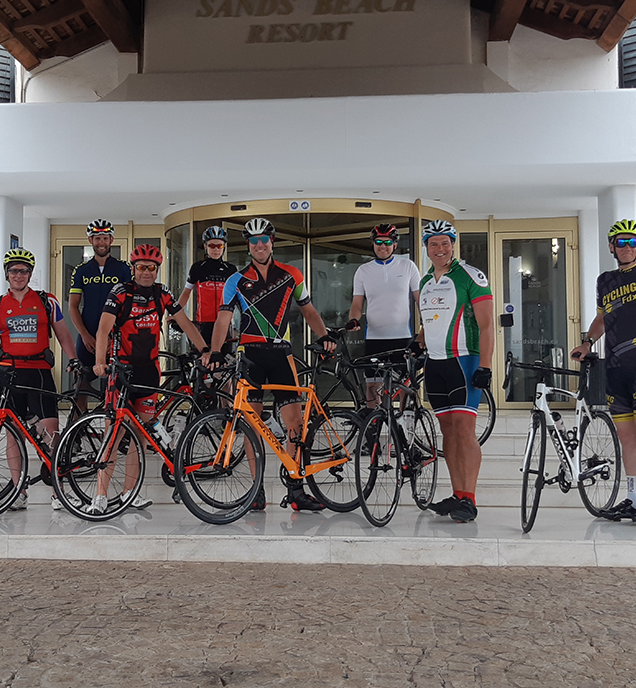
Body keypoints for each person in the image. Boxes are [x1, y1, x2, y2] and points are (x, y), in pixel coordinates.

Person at [207, 217, 337, 512]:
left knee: (295, 424)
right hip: (250, 357)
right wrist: (215, 351)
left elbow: (310, 311)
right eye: (253, 241)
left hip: (282, 355)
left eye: (264, 239)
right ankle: (256, 491)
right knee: (251, 427)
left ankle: (295, 488)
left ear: (272, 240)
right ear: (248, 246)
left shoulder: (291, 274)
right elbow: (223, 319)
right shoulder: (235, 281)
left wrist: (326, 335)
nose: (259, 245)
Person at [90, 244, 209, 513]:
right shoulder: (120, 292)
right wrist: (100, 362)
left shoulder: (163, 293)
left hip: (149, 372)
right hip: (121, 371)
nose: (146, 272)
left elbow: (186, 323)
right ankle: (100, 494)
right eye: (141, 267)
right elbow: (103, 329)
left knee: (141, 436)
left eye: (151, 268)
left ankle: (129, 493)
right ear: (133, 269)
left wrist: (204, 349)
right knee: (114, 433)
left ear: (157, 270)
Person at [571, 219, 636, 525]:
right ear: (611, 246)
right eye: (620, 242)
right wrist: (587, 342)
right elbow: (602, 318)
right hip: (614, 368)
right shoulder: (604, 281)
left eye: (632, 242)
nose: (626, 247)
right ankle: (634, 499)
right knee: (626, 437)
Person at [0, 247, 80, 511]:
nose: (18, 275)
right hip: (8, 375)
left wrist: (73, 359)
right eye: (14, 271)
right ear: (7, 274)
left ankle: (58, 492)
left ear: (30, 274)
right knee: (13, 436)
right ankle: (18, 491)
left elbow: (63, 335)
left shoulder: (47, 301)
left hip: (39, 373)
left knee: (50, 432)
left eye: (24, 271)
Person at [417, 220, 494, 523]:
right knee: (447, 431)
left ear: (453, 245)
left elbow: (487, 325)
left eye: (445, 243)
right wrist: (418, 342)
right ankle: (457, 493)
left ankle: (470, 498)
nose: (440, 249)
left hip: (464, 361)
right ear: (426, 248)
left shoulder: (470, 276)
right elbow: (430, 321)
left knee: (464, 430)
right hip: (435, 364)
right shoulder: (425, 282)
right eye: (433, 244)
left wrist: (485, 365)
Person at [346, 223, 421, 410]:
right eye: (378, 242)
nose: (382, 246)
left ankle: (405, 424)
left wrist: (426, 329)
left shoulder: (408, 266)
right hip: (375, 338)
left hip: (403, 337)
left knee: (406, 385)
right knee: (372, 385)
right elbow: (357, 304)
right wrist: (353, 320)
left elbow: (420, 301)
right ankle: (373, 429)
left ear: (395, 245)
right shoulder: (363, 271)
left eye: (387, 242)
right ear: (373, 244)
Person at [66, 220, 131, 408]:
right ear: (90, 240)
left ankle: (115, 430)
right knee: (81, 383)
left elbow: (127, 305)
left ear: (111, 240)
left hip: (116, 335)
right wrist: (85, 335)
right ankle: (77, 429)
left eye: (104, 238)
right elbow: (73, 307)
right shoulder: (82, 270)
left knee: (117, 384)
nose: (101, 242)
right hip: (87, 335)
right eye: (97, 239)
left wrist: (112, 335)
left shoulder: (123, 268)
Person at [177, 226, 237, 355]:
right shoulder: (198, 268)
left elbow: (238, 296)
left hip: (225, 323)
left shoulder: (231, 269)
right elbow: (186, 292)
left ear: (224, 246)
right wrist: (175, 313)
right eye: (211, 245)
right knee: (204, 361)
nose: (215, 249)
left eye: (219, 246)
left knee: (224, 362)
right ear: (205, 246)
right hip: (204, 324)